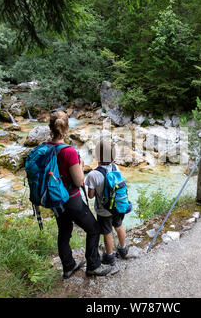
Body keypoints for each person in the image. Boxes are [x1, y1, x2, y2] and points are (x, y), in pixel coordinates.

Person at [48, 111, 112, 278]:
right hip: (71, 199)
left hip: (55, 199)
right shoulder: (68, 152)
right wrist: (81, 165)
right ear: (67, 127)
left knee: (64, 231)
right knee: (94, 229)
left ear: (50, 128)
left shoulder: (45, 147)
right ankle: (93, 265)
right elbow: (78, 181)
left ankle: (68, 266)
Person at [85, 141, 129, 266]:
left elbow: (91, 195)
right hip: (118, 206)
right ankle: (123, 249)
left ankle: (109, 257)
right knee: (119, 226)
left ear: (97, 156)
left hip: (104, 211)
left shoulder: (93, 174)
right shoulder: (116, 168)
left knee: (107, 232)